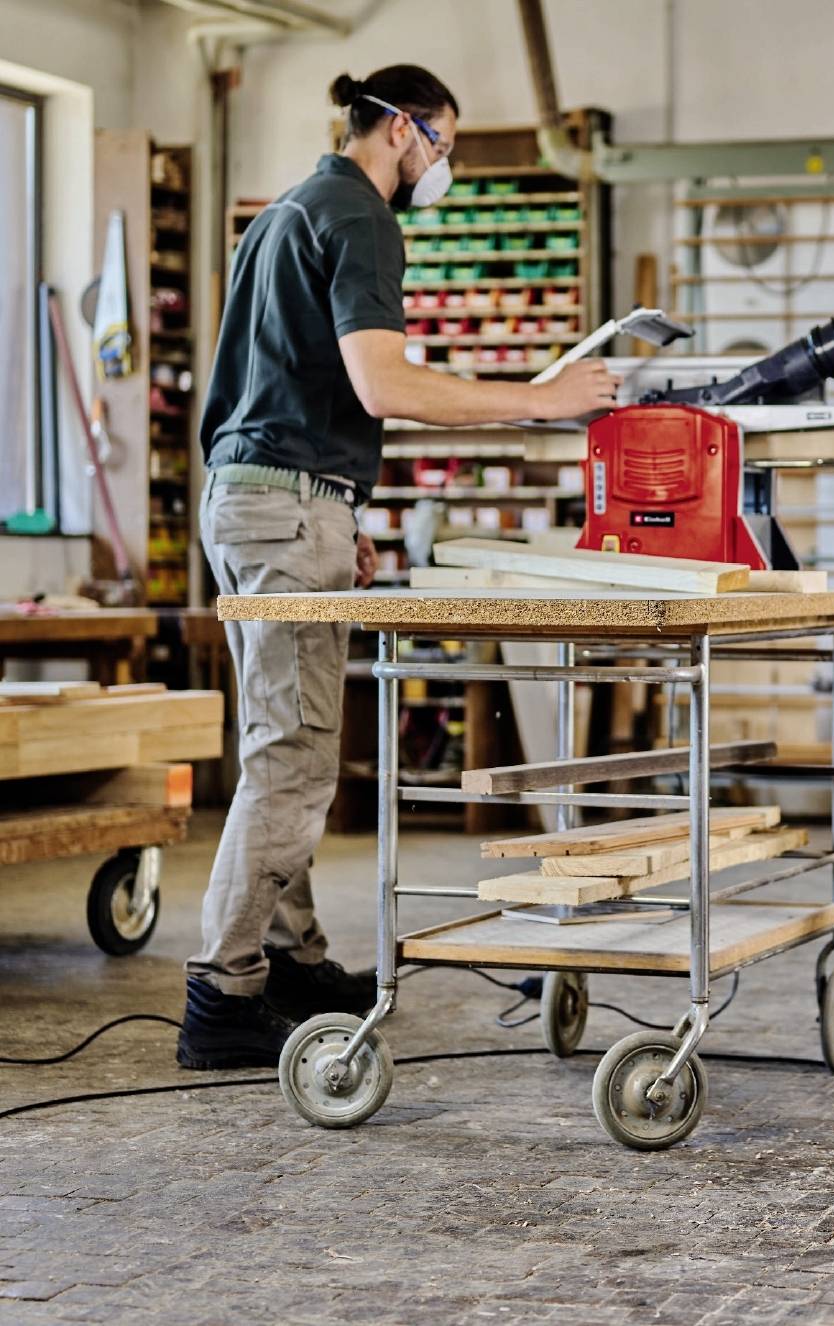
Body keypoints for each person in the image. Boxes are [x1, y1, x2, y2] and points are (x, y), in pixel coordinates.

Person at [178, 65, 620, 1069]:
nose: (441, 164)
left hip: (261, 500)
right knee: (291, 759)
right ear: (400, 129)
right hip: (283, 509)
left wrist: (336, 508)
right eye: (442, 144)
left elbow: (288, 384)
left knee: (279, 743)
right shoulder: (362, 217)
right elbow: (382, 385)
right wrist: (542, 398)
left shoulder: (285, 212)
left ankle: (290, 962)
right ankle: (223, 994)